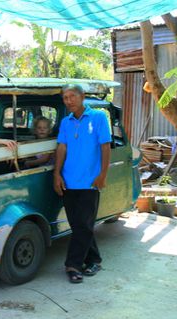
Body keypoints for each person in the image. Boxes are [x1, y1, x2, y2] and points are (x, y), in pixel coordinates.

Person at [53, 84, 111, 284]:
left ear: (82, 96)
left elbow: (105, 146)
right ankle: (94, 259)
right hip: (69, 181)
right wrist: (57, 174)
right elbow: (62, 147)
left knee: (83, 226)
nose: (68, 100)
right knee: (80, 225)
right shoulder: (66, 122)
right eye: (65, 97)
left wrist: (102, 174)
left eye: (72, 96)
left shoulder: (99, 117)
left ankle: (73, 265)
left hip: (90, 182)